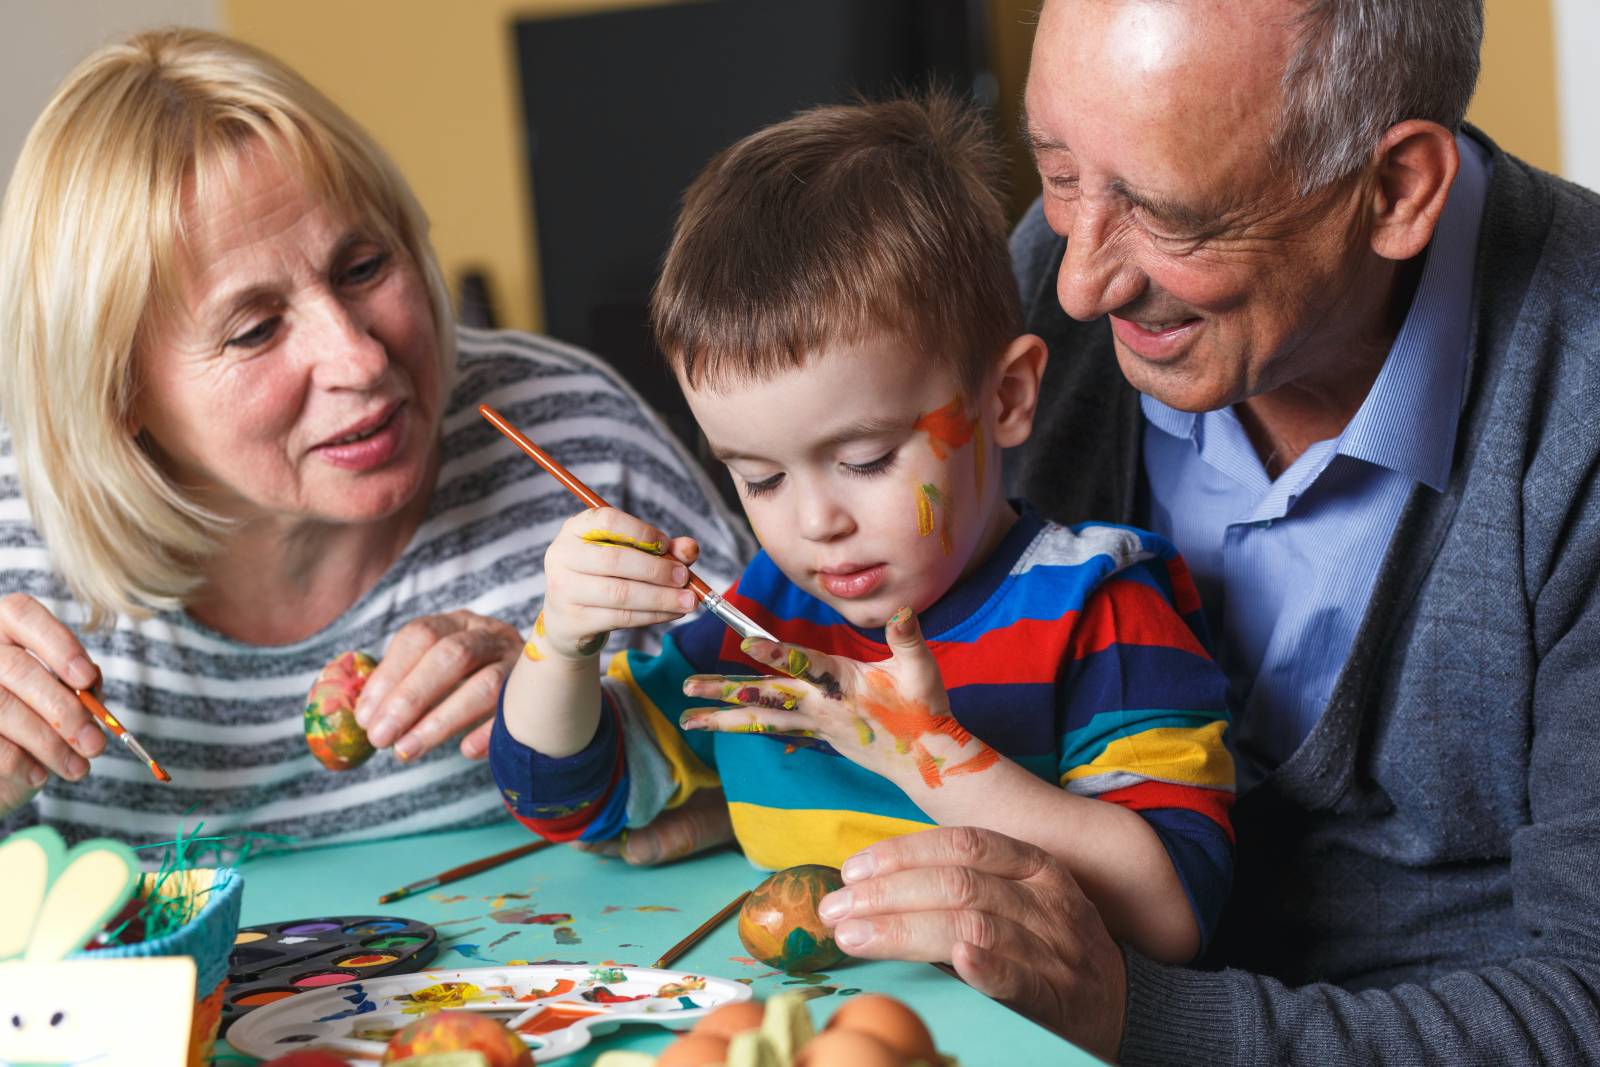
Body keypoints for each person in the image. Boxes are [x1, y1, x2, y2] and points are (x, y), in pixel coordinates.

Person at [812, 0, 1600, 1063]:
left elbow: (1586, 1003)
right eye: (1051, 171)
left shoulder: (1579, 407)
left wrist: (1136, 1017)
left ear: (1396, 190)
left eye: (1167, 215)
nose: (1080, 283)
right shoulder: (1062, 268)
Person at [490, 95, 1236, 965]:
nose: (815, 523)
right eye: (758, 477)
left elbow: (1173, 912)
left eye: (869, 459)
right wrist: (561, 643)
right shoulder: (763, 624)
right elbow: (575, 799)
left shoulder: (1100, 613)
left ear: (1005, 398)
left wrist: (933, 757)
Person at [0, 28, 748, 850]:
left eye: (362, 267)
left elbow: (817, 715)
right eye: (253, 329)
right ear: (120, 393)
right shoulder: (16, 536)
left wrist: (577, 712)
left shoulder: (572, 432)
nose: (359, 357)